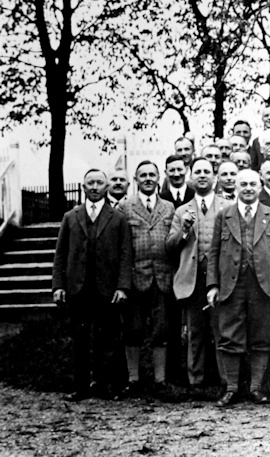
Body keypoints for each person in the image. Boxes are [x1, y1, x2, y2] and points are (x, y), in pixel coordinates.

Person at [207, 169, 270, 406]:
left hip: (263, 284)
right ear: (235, 187)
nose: (248, 188)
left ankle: (256, 388)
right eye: (242, 184)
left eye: (253, 184)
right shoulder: (224, 215)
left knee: (262, 335)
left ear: (260, 185)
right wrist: (213, 285)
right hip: (231, 284)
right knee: (229, 335)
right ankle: (232, 388)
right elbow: (214, 252)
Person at [53, 169, 133, 401]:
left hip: (107, 289)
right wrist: (58, 285)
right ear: (83, 187)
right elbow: (60, 255)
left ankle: (110, 386)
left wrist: (122, 287)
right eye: (91, 183)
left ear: (107, 186)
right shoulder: (71, 216)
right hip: (78, 289)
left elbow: (125, 254)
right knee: (80, 339)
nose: (95, 186)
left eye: (100, 182)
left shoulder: (117, 218)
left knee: (109, 339)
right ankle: (81, 387)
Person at [167, 157, 229, 393]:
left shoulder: (226, 206)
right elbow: (169, 246)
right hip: (193, 278)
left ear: (214, 177)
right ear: (191, 177)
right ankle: (196, 383)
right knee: (195, 332)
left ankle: (226, 382)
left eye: (207, 171)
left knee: (221, 330)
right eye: (197, 172)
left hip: (220, 278)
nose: (202, 175)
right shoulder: (181, 210)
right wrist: (183, 230)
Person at [116, 161, 177, 399]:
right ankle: (134, 379)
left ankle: (160, 380)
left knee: (161, 329)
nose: (148, 179)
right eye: (143, 175)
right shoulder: (125, 207)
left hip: (162, 277)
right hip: (135, 277)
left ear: (159, 177)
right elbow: (122, 245)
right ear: (136, 179)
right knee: (133, 329)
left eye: (152, 174)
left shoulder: (169, 207)